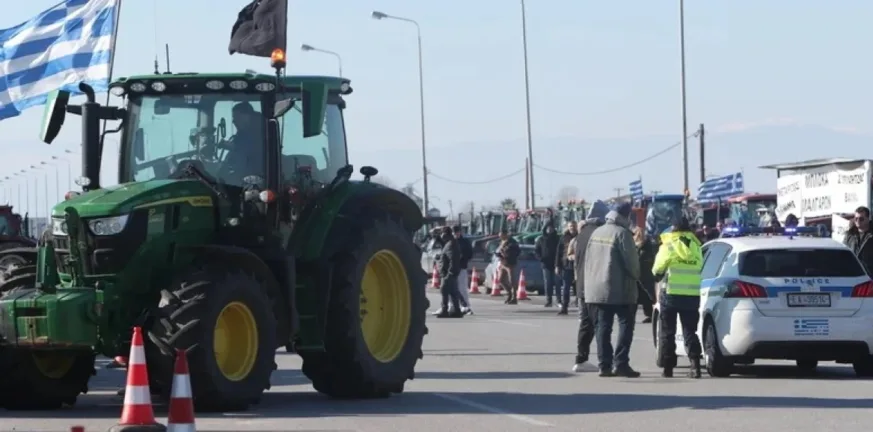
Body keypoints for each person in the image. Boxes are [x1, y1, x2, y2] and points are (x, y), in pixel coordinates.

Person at [583, 202, 641, 378]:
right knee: (625, 325)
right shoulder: (623, 234)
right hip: (620, 289)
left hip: (597, 289)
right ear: (625, 216)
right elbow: (632, 266)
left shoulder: (596, 232)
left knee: (603, 327)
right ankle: (621, 363)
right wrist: (638, 276)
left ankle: (604, 365)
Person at [652, 216, 704, 378]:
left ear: (673, 229)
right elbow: (700, 266)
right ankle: (695, 366)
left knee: (668, 332)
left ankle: (668, 369)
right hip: (692, 295)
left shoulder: (668, 246)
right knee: (690, 331)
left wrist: (658, 275)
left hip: (671, 294)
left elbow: (657, 269)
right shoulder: (696, 246)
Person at [571, 200, 609, 372]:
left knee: (586, 323)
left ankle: (581, 358)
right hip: (594, 284)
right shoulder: (598, 232)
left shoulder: (582, 233)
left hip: (581, 284)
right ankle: (604, 362)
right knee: (600, 323)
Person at [221, 102, 265, 183]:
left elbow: (253, 149)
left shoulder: (262, 132)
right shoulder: (241, 135)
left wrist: (233, 146)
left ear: (247, 116)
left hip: (255, 177)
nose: (233, 121)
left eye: (236, 117)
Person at [434, 227, 464, 318]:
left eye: (442, 234)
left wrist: (450, 273)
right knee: (453, 292)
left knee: (444, 291)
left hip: (448, 273)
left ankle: (444, 310)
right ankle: (457, 311)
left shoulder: (451, 244)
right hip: (449, 273)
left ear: (446, 234)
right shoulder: (450, 243)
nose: (441, 236)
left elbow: (453, 260)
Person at [534, 221, 560, 307]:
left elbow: (560, 250)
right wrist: (540, 258)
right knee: (548, 283)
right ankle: (549, 300)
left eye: (551, 228)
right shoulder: (541, 239)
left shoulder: (557, 239)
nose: (550, 229)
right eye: (548, 228)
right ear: (545, 229)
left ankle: (559, 300)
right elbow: (537, 250)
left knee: (557, 283)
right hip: (546, 264)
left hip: (556, 264)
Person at [555, 220, 578, 315]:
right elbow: (558, 253)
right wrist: (557, 265)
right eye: (570, 226)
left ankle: (580, 306)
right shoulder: (564, 238)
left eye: (573, 226)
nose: (572, 227)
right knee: (566, 288)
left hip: (578, 265)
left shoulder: (580, 236)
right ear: (568, 227)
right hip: (566, 266)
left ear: (576, 226)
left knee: (578, 288)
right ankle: (564, 307)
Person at [634, 226, 656, 323]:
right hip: (643, 275)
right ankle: (649, 314)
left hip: (643, 275)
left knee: (646, 296)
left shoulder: (643, 247)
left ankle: (650, 314)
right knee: (644, 296)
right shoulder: (645, 246)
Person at [844, 206, 873, 274]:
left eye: (861, 219)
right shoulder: (849, 235)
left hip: (869, 274)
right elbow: (843, 254)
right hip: (853, 274)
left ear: (868, 219)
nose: (858, 221)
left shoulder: (871, 235)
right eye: (856, 219)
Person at [496, 228, 521, 304]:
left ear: (505, 234)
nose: (500, 237)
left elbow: (517, 251)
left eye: (501, 236)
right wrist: (499, 254)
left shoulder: (512, 242)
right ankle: (509, 294)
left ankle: (514, 297)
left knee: (512, 280)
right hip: (502, 262)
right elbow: (499, 250)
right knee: (500, 280)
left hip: (510, 263)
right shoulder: (502, 242)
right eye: (499, 236)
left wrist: (507, 253)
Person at [453, 225, 475, 315]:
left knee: (462, 288)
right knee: (452, 288)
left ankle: (466, 306)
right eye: (454, 232)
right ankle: (453, 306)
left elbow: (470, 254)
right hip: (451, 268)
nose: (456, 234)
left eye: (457, 232)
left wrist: (463, 257)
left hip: (461, 267)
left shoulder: (465, 242)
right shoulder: (449, 241)